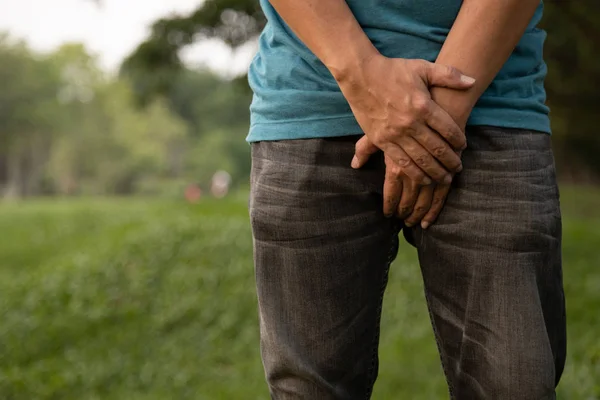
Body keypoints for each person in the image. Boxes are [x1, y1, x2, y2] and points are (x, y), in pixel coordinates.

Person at [247, 0, 566, 399]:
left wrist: (434, 120)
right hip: (311, 101)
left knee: (516, 385)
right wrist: (361, 73)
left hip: (493, 106)